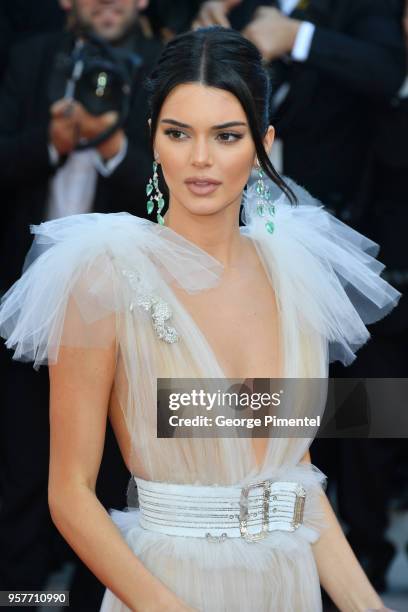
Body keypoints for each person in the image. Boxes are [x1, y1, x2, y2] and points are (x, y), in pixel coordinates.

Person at [0, 26, 401, 612]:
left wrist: (368, 607)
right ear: (153, 138)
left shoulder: (296, 272)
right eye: (179, 133)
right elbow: (70, 494)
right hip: (167, 588)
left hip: (287, 587)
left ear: (263, 140)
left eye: (227, 135)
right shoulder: (102, 277)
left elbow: (297, 482)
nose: (201, 158)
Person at [0, 0, 162, 608]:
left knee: (114, 478)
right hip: (22, 308)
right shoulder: (29, 58)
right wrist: (49, 143)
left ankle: (93, 600)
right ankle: (19, 597)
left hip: (126, 313)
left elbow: (176, 193)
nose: (108, 4)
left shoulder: (160, 68)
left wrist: (115, 144)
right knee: (22, 468)